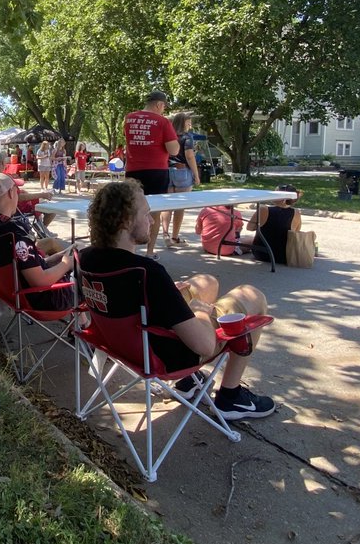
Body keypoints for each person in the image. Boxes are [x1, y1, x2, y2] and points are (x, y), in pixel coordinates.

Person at [79, 180, 275, 420]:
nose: (152, 221)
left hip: (121, 343)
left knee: (207, 281)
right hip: (163, 357)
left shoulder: (87, 258)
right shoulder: (148, 272)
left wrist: (168, 293)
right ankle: (230, 397)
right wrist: (200, 311)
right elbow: (204, 345)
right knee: (252, 296)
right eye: (147, 214)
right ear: (126, 221)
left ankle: (189, 382)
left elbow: (119, 296)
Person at [0, 173, 74, 310]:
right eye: (17, 191)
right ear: (11, 193)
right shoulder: (15, 233)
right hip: (42, 299)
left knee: (67, 263)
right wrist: (66, 264)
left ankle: (81, 323)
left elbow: (19, 268)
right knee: (84, 273)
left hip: (10, 292)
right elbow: (39, 281)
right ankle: (85, 325)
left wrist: (51, 260)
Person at [123, 89, 180, 256]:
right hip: (156, 171)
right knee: (154, 211)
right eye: (163, 106)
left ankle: (128, 250)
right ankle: (149, 252)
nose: (163, 110)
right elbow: (174, 150)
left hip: (133, 170)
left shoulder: (129, 118)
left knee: (130, 210)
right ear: (158, 104)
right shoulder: (163, 122)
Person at [161, 110, 200, 246]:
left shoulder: (168, 136)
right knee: (180, 206)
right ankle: (175, 237)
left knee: (167, 205)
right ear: (183, 122)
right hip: (182, 171)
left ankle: (165, 234)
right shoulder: (187, 137)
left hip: (166, 171)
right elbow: (189, 155)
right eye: (189, 121)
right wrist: (196, 174)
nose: (190, 124)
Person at [248, 184, 302, 265]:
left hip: (263, 253)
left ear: (282, 197)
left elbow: (249, 228)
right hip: (285, 255)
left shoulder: (264, 209)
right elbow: (296, 231)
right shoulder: (296, 213)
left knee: (247, 238)